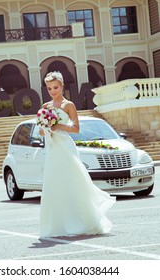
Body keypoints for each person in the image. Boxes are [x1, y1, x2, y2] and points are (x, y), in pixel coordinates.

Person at [38, 71, 116, 238]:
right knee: (54, 184)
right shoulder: (45, 106)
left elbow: (76, 128)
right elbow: (41, 131)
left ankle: (82, 221)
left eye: (56, 87)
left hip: (65, 146)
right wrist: (46, 127)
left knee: (72, 180)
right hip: (52, 148)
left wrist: (59, 126)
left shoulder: (69, 105)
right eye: (50, 88)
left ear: (62, 86)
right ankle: (58, 224)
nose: (53, 91)